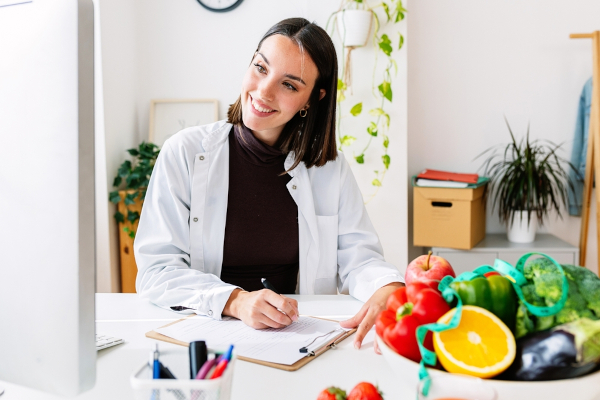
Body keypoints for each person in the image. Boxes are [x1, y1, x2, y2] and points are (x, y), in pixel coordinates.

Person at [134, 17, 404, 352]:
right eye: (261, 68)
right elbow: (157, 270)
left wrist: (388, 286)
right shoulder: (185, 153)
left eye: (289, 85)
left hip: (297, 339)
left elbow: (359, 259)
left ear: (312, 99)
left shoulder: (328, 169)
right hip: (208, 338)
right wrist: (235, 301)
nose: (264, 91)